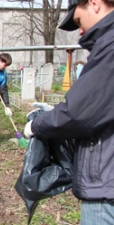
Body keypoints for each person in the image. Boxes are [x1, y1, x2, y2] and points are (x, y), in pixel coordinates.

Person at [24, 0, 114, 224]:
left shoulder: (110, 45)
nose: (80, 31)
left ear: (94, 3)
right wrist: (57, 112)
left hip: (106, 187)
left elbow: (77, 114)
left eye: (78, 21)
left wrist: (36, 125)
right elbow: (100, 104)